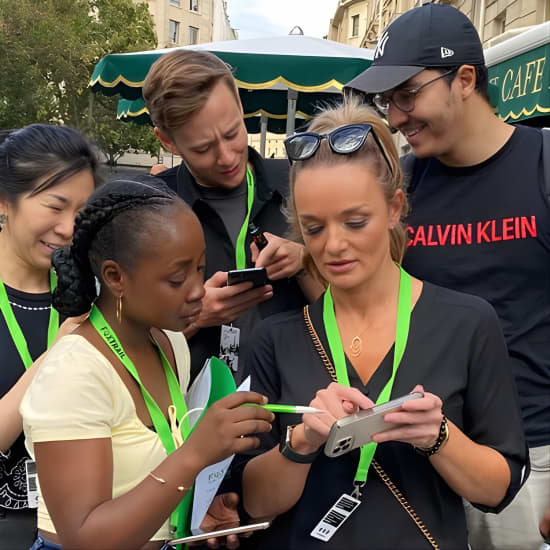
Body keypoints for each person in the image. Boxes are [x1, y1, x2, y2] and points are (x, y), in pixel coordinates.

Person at [229, 100, 528, 550]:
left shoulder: (467, 323)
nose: (333, 246)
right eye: (312, 228)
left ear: (394, 209)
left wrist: (439, 436)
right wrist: (302, 442)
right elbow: (255, 503)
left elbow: (497, 489)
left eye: (355, 221)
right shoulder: (274, 339)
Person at [344, 4, 550, 548]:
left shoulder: (543, 163)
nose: (394, 116)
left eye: (407, 95)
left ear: (464, 80)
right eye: (387, 102)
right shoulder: (399, 190)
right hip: (418, 455)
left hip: (536, 456)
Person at [20, 178, 274, 550]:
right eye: (176, 278)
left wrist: (192, 511)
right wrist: (195, 455)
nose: (197, 290)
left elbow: (149, 479)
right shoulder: (73, 373)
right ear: (115, 277)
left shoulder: (169, 341)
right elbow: (84, 537)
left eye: (200, 269)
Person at [143, 49, 323, 383]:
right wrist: (193, 317)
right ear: (167, 141)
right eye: (202, 148)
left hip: (296, 413)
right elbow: (120, 343)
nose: (226, 157)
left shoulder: (302, 183)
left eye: (231, 133)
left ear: (239, 104)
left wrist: (307, 261)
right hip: (190, 419)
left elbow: (357, 310)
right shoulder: (148, 210)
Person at [0, 124, 101, 550]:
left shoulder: (97, 293)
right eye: (55, 206)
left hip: (82, 527)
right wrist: (58, 354)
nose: (67, 228)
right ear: (4, 201)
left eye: (82, 212)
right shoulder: (75, 325)